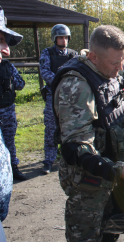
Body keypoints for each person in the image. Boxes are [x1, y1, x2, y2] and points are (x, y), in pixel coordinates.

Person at [52, 25, 124, 242]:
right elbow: (75, 148)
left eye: (123, 60)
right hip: (88, 186)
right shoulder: (75, 85)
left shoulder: (109, 73)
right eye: (116, 63)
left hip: (113, 178)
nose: (121, 67)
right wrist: (117, 170)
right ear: (94, 57)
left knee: (110, 236)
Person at [39, 24, 78, 174]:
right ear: (55, 39)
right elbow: (45, 72)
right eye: (61, 37)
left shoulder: (73, 54)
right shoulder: (47, 53)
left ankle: (68, 157)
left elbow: (77, 71)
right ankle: (48, 160)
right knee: (51, 128)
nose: (64, 40)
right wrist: (61, 81)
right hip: (53, 95)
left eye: (66, 37)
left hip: (70, 96)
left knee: (70, 126)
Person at [0, 6, 26, 181]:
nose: (6, 48)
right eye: (0, 40)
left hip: (7, 109)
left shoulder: (7, 66)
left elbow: (20, 84)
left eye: (5, 41)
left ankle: (13, 168)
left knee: (9, 142)